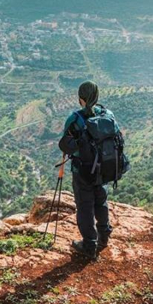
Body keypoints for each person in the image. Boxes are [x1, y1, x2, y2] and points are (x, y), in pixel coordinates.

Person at [58, 80, 119, 259]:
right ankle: (104, 235)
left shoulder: (75, 118)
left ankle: (89, 245)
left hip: (82, 171)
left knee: (85, 207)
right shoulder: (108, 114)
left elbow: (65, 145)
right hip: (104, 169)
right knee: (101, 201)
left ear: (81, 99)